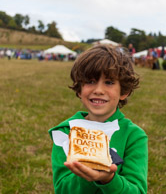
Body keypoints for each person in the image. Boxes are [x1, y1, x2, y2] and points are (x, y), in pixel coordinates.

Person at [48, 44, 148, 194]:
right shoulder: (65, 132)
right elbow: (62, 189)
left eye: (109, 82)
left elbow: (137, 190)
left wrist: (108, 180)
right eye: (90, 81)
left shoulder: (134, 136)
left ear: (124, 91)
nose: (98, 90)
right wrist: (86, 174)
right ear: (79, 89)